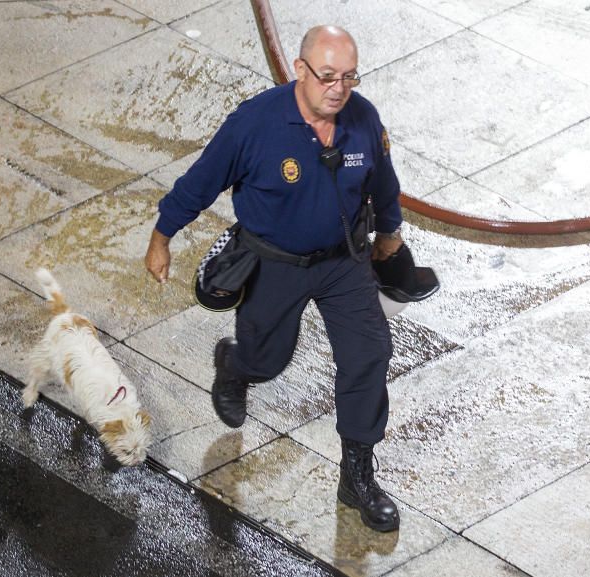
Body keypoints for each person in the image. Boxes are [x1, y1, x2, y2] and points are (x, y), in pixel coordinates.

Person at [144, 25, 404, 533]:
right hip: (275, 264)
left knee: (369, 353)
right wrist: (162, 236)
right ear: (299, 70)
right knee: (270, 358)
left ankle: (357, 475)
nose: (339, 89)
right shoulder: (255, 124)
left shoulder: (363, 118)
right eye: (327, 76)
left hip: (343, 261)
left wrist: (389, 233)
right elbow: (200, 182)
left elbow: (383, 182)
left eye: (349, 77)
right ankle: (237, 367)